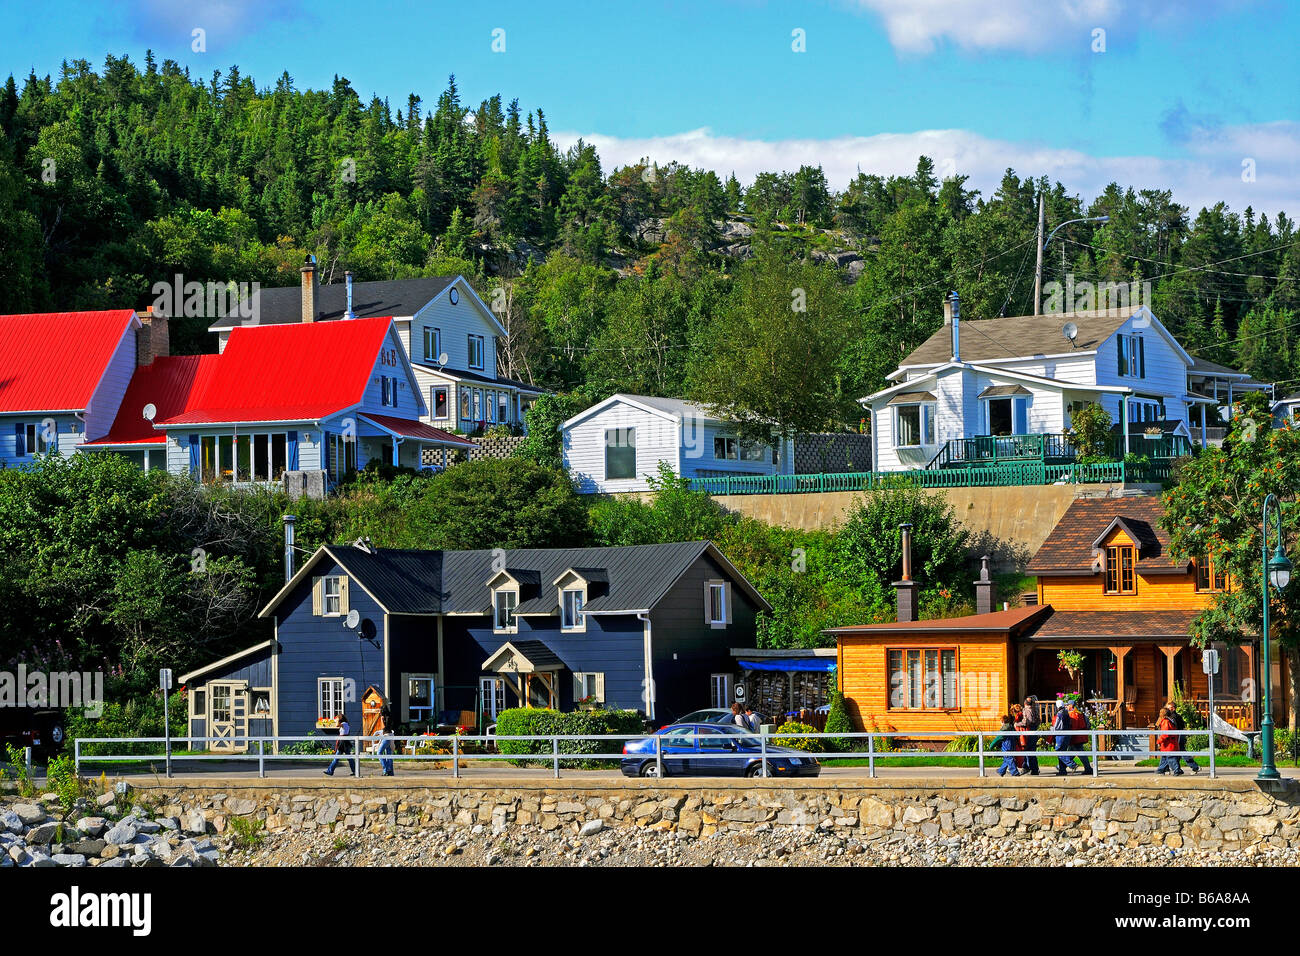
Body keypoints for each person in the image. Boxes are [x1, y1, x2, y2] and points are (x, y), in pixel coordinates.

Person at [1163, 699, 1200, 774]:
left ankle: (1195, 767)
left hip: (1178, 736)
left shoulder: (1174, 717)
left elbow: (1175, 728)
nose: (1167, 710)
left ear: (1173, 708)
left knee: (1179, 752)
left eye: (1169, 708)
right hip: (1178, 736)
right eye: (1167, 708)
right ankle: (1170, 769)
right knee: (1173, 753)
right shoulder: (1174, 716)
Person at [1067, 699, 1094, 775]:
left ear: (1071, 705)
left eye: (1067, 705)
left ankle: (1088, 768)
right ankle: (1061, 766)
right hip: (1080, 736)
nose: (1066, 706)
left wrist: (1069, 736)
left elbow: (1074, 727)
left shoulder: (1073, 714)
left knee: (1080, 754)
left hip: (1076, 737)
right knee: (1071, 752)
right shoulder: (1080, 713)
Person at [1155, 708, 1184, 776]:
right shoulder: (1171, 720)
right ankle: (1161, 770)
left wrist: (1159, 741)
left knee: (1171, 758)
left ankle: (1177, 770)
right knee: (1164, 758)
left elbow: (1165, 734)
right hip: (1172, 742)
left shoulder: (1165, 721)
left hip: (1168, 744)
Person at [1018, 696, 1041, 775]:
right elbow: (1039, 720)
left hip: (1029, 731)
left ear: (1025, 703)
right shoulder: (1035, 710)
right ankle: (1034, 769)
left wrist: (1017, 724)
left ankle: (1027, 768)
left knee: (1027, 750)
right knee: (1032, 751)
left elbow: (1026, 722)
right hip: (1034, 730)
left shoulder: (1027, 710)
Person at [1052, 701, 1075, 775]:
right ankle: (1062, 771)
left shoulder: (1060, 714)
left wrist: (1051, 730)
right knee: (1063, 751)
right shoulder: (1066, 713)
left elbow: (1057, 726)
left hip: (1061, 735)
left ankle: (1071, 764)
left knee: (1059, 751)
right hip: (1067, 735)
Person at [377, 708, 395, 777]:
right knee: (389, 755)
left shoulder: (384, 718)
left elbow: (383, 728)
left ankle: (386, 769)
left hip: (386, 737)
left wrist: (381, 720)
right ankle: (390, 772)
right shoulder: (389, 718)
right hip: (390, 736)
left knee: (379, 753)